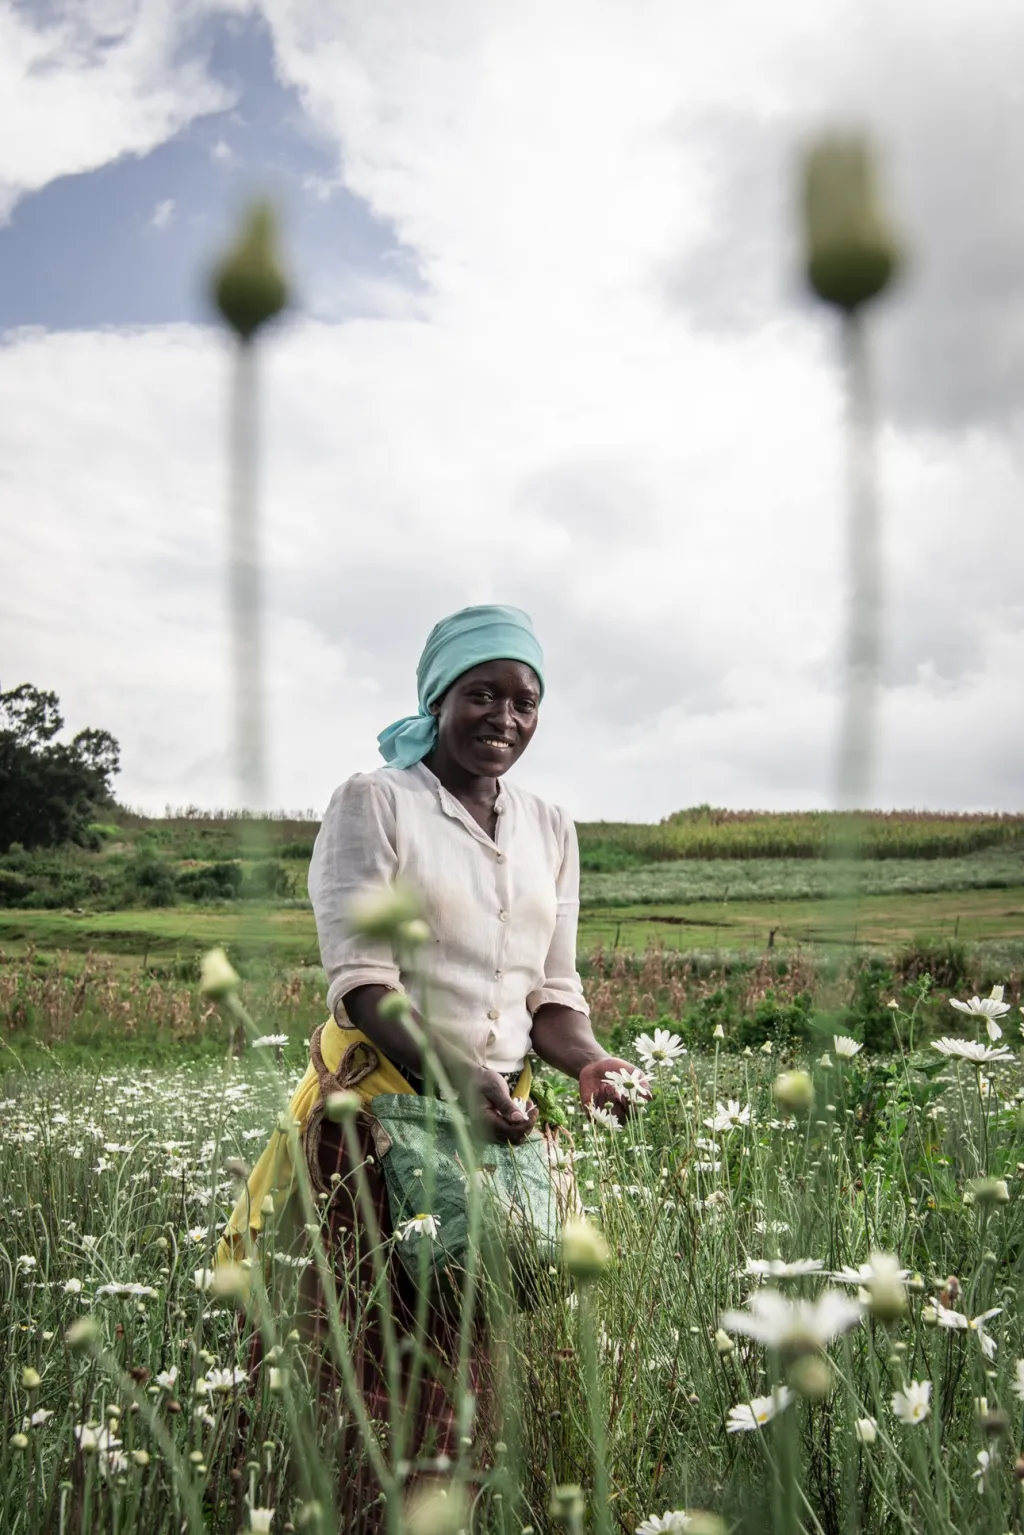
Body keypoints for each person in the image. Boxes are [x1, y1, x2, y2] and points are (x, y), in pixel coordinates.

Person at [219, 603, 644, 1527]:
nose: (504, 716)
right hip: (374, 1124)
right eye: (480, 693)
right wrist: (459, 1075)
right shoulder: (377, 803)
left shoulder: (551, 826)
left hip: (489, 1138)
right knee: (363, 1359)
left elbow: (552, 996)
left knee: (462, 1364)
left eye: (524, 700)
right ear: (438, 697)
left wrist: (592, 1063)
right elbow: (365, 986)